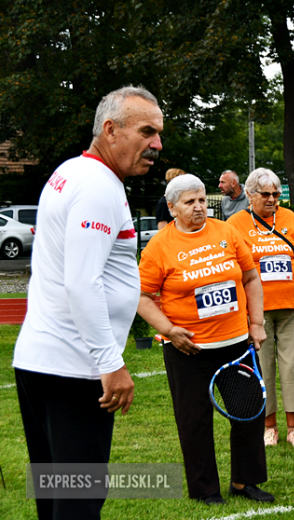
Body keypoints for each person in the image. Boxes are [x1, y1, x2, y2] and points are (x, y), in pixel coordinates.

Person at [13, 85, 162, 520]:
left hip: (43, 361)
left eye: (158, 134)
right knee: (77, 505)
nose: (156, 144)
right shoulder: (97, 185)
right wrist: (109, 362)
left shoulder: (73, 171)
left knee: (56, 499)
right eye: (147, 132)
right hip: (74, 371)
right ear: (111, 130)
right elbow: (82, 282)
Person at [137, 174, 274, 505]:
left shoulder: (226, 232)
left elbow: (251, 277)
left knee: (250, 410)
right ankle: (205, 490)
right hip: (188, 349)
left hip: (235, 344)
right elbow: (141, 296)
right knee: (194, 421)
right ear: (172, 208)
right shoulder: (159, 246)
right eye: (189, 202)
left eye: (202, 200)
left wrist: (256, 323)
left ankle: (245, 481)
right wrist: (169, 331)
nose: (199, 207)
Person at [227, 168, 294, 447]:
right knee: (262, 368)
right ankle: (269, 427)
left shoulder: (289, 217)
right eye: (265, 194)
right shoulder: (235, 223)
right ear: (250, 195)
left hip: (290, 304)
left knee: (293, 367)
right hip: (256, 310)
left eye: (276, 194)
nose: (272, 199)